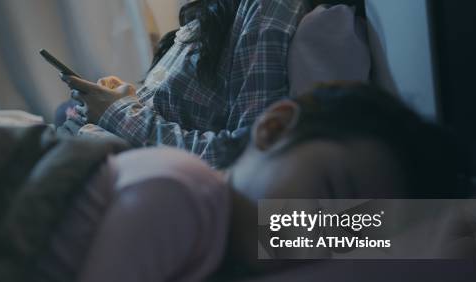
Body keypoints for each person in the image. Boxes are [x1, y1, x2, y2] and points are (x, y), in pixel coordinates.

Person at [0, 84, 466, 282]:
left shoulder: (216, 251)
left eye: (347, 231)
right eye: (328, 194)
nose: (314, 230)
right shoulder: (184, 193)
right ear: (271, 128)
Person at [57, 0, 308, 168]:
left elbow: (244, 150)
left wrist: (118, 113)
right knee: (61, 111)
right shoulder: (217, 9)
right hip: (89, 138)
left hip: (107, 155)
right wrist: (127, 97)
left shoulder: (268, 7)